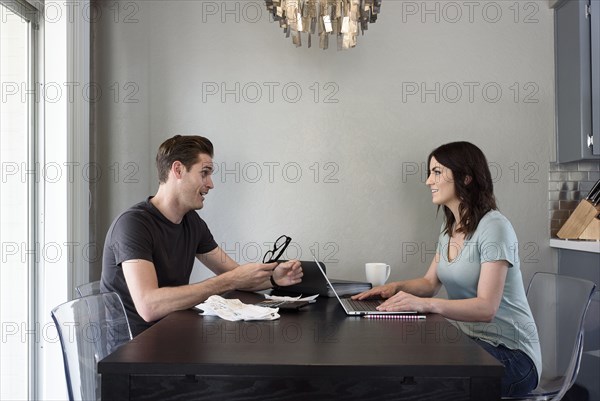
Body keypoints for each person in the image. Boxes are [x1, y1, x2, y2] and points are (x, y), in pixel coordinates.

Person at [353, 141, 541, 397]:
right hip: (471, 343)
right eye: (429, 173)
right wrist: (393, 288)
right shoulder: (449, 229)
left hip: (511, 357)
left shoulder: (494, 227)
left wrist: (427, 305)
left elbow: (487, 308)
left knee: (427, 381)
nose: (428, 181)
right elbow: (430, 283)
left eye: (437, 172)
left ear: (466, 178)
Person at [101, 135, 303, 336]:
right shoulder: (133, 225)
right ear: (178, 170)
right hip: (133, 351)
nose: (211, 184)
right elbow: (149, 306)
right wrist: (229, 280)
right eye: (204, 173)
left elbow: (236, 275)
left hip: (173, 335)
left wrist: (274, 278)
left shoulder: (192, 223)